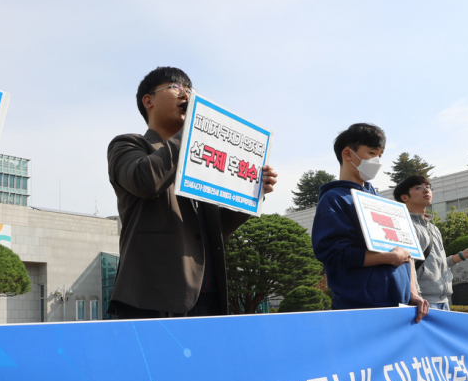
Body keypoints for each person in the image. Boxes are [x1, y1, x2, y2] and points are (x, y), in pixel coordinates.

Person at [106, 67, 278, 318]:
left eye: (190, 90)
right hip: (152, 297)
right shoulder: (128, 145)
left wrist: (252, 193)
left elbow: (214, 231)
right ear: (148, 101)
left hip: (207, 298)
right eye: (176, 88)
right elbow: (145, 181)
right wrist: (192, 133)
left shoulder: (202, 160)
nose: (186, 96)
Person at [311, 124, 428, 321]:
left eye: (380, 155)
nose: (377, 161)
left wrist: (413, 294)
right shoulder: (335, 199)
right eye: (372, 153)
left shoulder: (384, 203)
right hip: (360, 310)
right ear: (347, 154)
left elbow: (407, 254)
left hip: (401, 307)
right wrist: (387, 257)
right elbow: (334, 254)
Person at [393, 174, 468, 310]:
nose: (426, 190)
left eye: (428, 187)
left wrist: (462, 255)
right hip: (423, 303)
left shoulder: (433, 228)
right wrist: (416, 297)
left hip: (443, 301)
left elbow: (436, 265)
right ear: (405, 197)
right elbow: (407, 265)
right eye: (419, 187)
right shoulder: (404, 225)